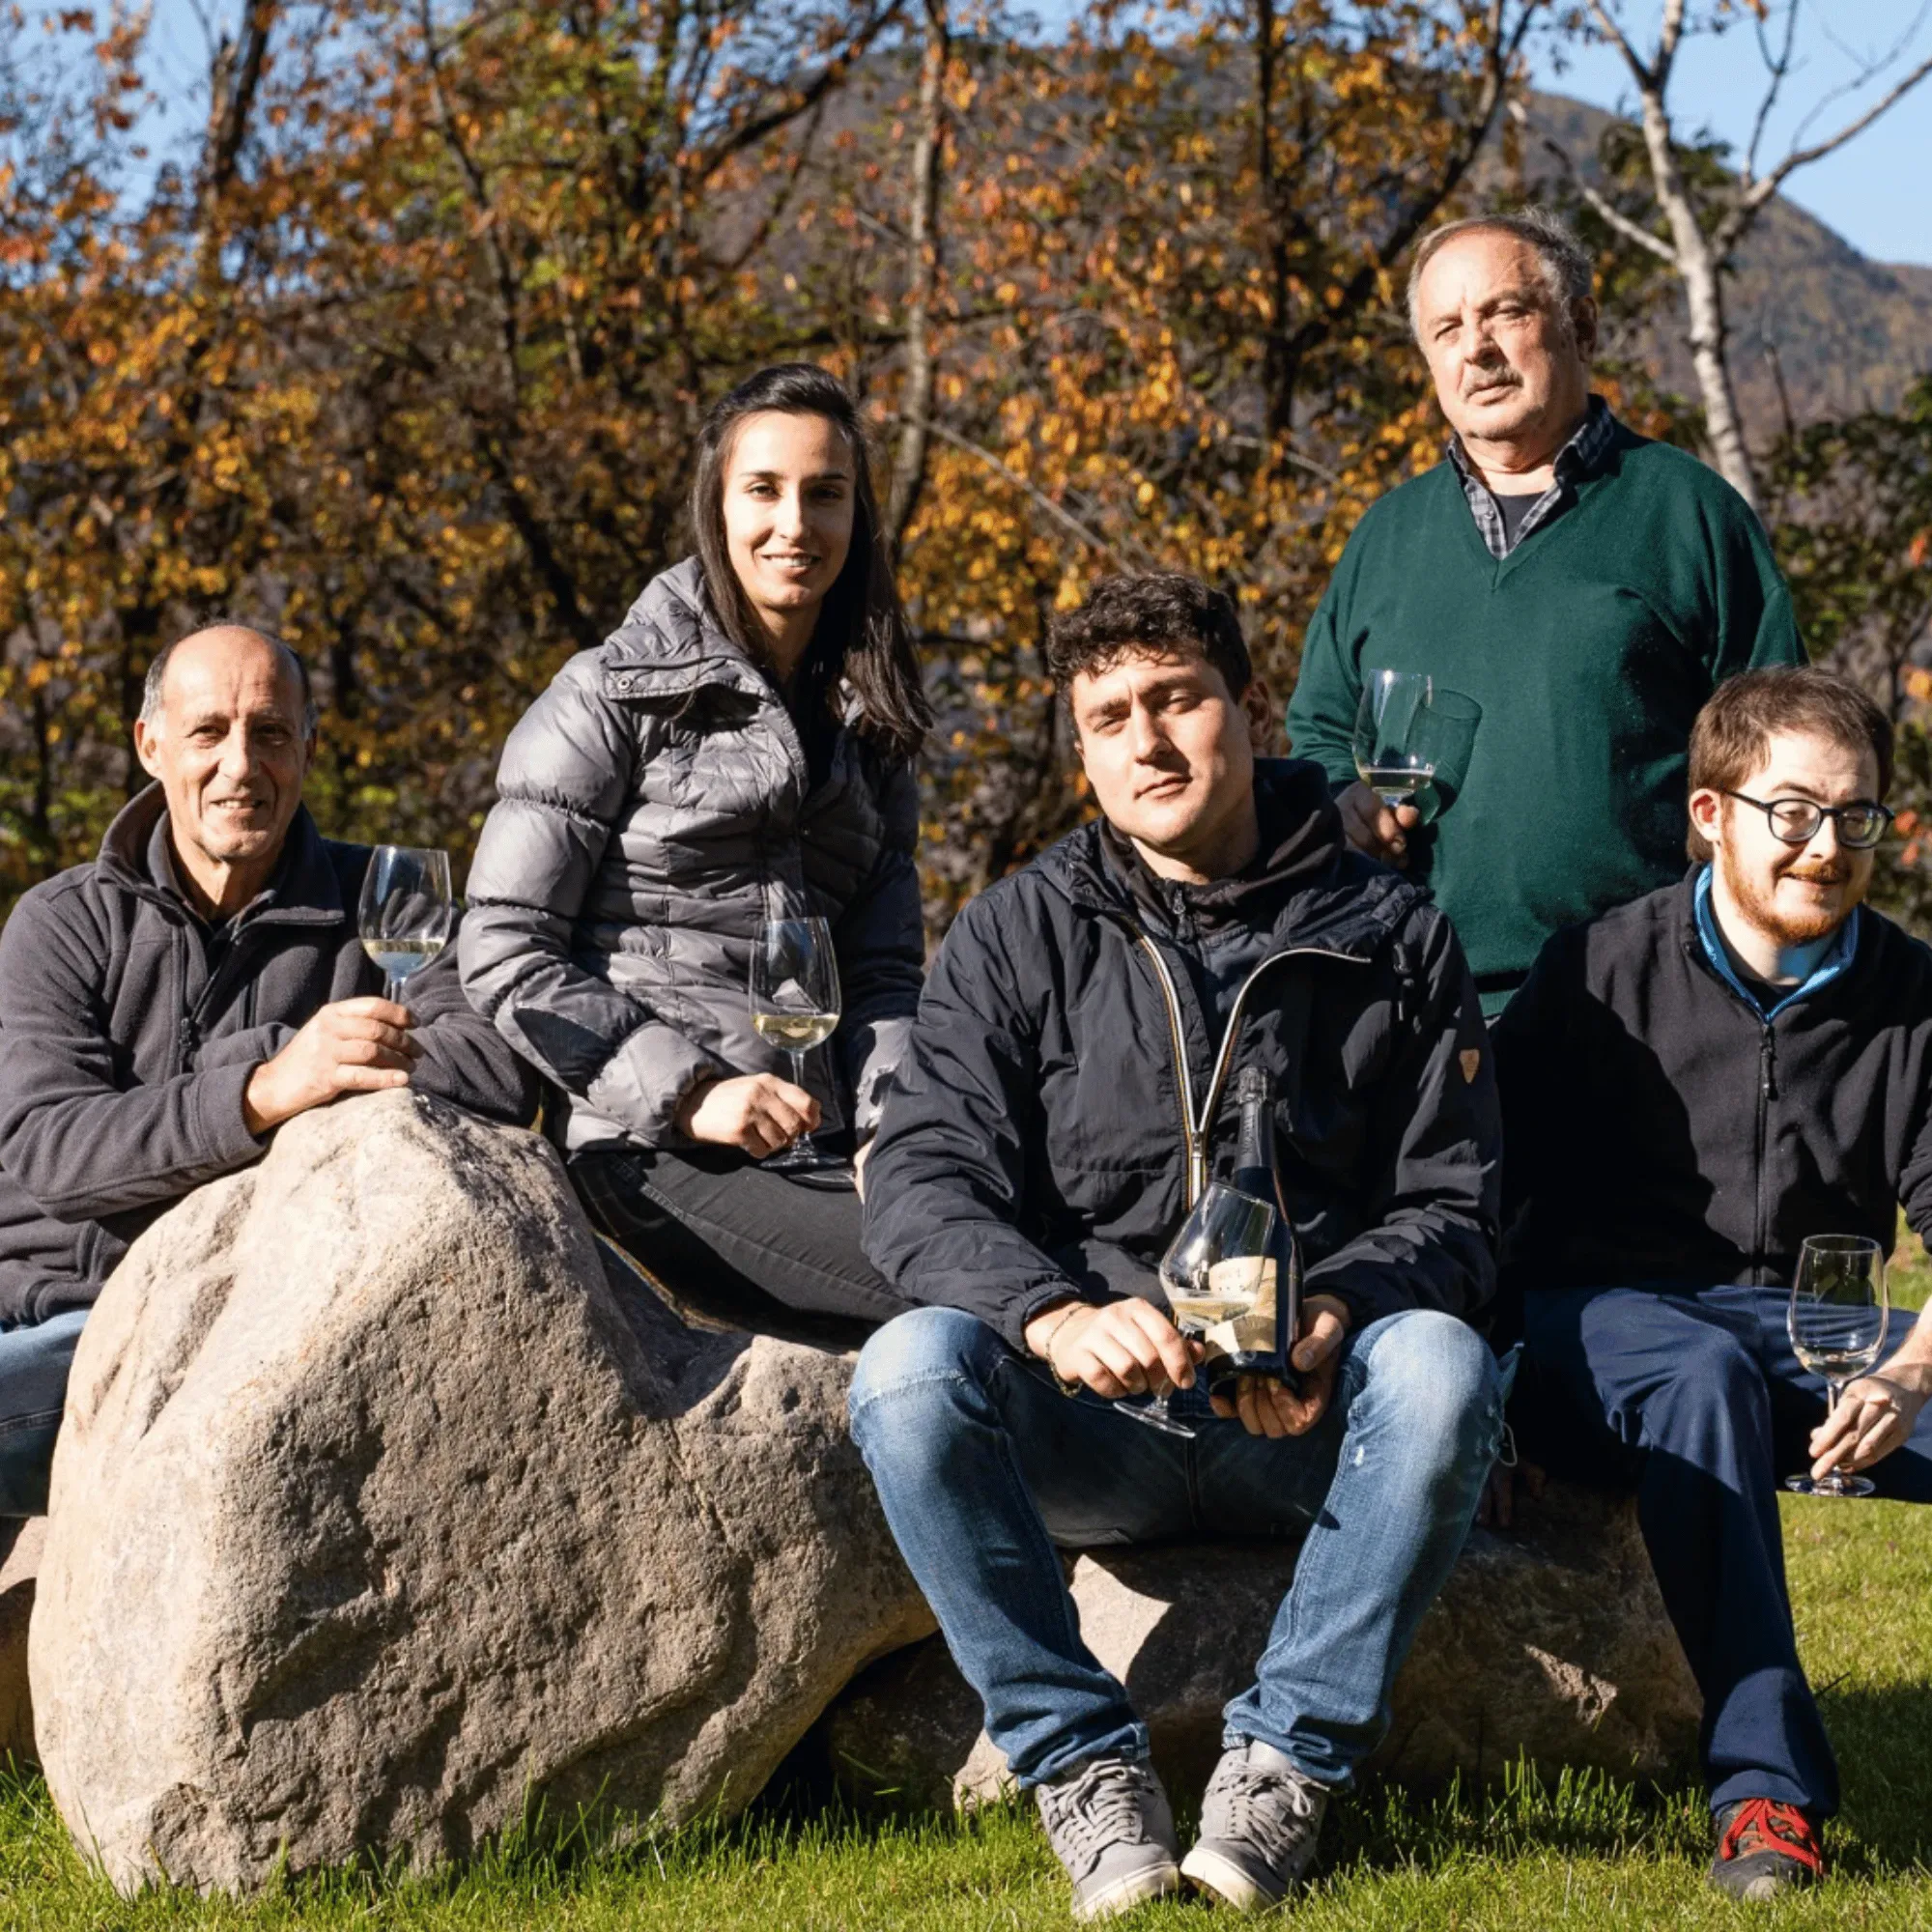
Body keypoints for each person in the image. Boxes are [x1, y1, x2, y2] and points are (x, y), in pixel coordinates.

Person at [849, 573, 1504, 1919]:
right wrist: (1055, 1316)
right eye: (1109, 718)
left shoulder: (1391, 933)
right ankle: (1081, 1764)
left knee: (1442, 1366)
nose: (1147, 742)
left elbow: (1456, 1200)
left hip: (1303, 1420)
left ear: (1250, 710)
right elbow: (919, 1178)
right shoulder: (1019, 931)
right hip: (1097, 1426)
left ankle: (1284, 1765)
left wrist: (1341, 1309)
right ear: (1080, 751)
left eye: (1176, 700)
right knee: (906, 1372)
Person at [1493, 666, 1932, 1901]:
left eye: (1854, 815)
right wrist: (1489, 1406)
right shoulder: (1593, 972)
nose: (1825, 846)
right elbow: (1472, 1201)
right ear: (1708, 812)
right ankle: (1762, 1789)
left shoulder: (1912, 994)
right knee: (1698, 1372)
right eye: (1791, 811)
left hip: (1814, 1338)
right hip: (1609, 1331)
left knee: (1751, 1367)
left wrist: (1907, 1372)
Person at [0, 623, 536, 1515]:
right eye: (208, 732)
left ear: (309, 750)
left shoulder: (388, 899)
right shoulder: (63, 922)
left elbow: (494, 1070)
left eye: (272, 733)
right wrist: (265, 1085)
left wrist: (311, 1075)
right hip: (52, 1312)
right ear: (151, 747)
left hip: (232, 1323)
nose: (241, 765)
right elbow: (53, 1147)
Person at [460, 364, 930, 1332]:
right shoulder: (607, 696)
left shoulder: (870, 728)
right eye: (763, 489)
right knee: (967, 1287)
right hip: (657, 1153)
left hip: (820, 1151)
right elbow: (503, 948)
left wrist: (891, 1129)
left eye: (825, 493)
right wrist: (691, 1092)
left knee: (1030, 1246)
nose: (794, 523)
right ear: (715, 507)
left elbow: (884, 976)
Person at [1284, 206, 1804, 1017]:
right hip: (1417, 1006)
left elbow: (1781, 757)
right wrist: (1344, 799)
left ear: (1581, 327)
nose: (1477, 349)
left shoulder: (1689, 513)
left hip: (1645, 1009)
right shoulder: (1386, 535)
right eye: (1447, 329)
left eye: (1505, 314)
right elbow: (1319, 731)